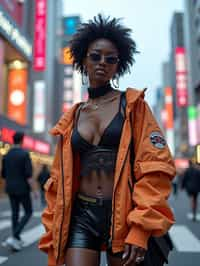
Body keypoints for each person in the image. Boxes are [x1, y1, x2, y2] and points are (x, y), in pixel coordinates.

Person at [39, 14, 176, 266]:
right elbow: (58, 180)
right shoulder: (72, 117)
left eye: (111, 59)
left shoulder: (134, 107)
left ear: (119, 65)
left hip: (124, 213)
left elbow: (156, 168)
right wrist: (54, 230)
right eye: (95, 56)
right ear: (82, 60)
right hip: (81, 214)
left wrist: (141, 227)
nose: (102, 63)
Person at [1, 131, 33, 251]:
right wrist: (35, 191)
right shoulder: (24, 154)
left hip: (10, 188)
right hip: (23, 188)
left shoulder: (6, 155)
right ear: (22, 140)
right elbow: (28, 175)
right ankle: (15, 235)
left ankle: (16, 238)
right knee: (28, 211)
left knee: (15, 213)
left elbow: (3, 174)